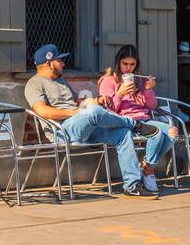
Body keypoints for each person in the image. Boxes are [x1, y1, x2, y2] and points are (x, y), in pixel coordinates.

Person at [25, 44, 164, 198]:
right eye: (60, 61)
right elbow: (42, 111)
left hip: (83, 126)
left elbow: (78, 105)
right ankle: (135, 124)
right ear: (49, 63)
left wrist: (94, 101)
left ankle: (132, 186)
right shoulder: (34, 84)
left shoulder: (61, 82)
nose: (64, 64)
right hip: (62, 131)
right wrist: (80, 111)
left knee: (122, 133)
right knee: (94, 112)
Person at [97, 44, 179, 193]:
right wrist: (120, 94)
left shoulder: (139, 80)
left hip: (144, 119)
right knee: (157, 133)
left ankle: (147, 167)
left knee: (173, 132)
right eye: (125, 64)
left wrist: (148, 89)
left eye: (132, 64)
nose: (128, 68)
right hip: (124, 122)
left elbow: (152, 106)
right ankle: (148, 173)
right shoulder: (108, 81)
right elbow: (109, 111)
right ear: (118, 62)